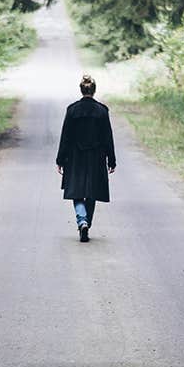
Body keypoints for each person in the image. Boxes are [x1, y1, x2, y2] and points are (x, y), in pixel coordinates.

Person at [56, 75, 116, 243]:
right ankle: (86, 222)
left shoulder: (72, 110)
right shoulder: (102, 111)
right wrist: (111, 160)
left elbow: (65, 137)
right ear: (94, 90)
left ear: (81, 90)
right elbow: (108, 138)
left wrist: (60, 159)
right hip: (96, 157)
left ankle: (81, 220)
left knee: (77, 191)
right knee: (92, 192)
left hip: (75, 157)